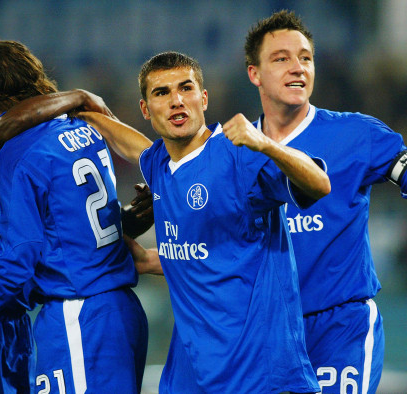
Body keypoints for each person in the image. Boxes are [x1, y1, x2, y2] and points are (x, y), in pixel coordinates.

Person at [242, 10, 407, 393]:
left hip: (341, 326)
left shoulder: (357, 134)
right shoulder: (233, 150)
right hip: (267, 330)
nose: (297, 68)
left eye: (305, 57)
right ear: (254, 74)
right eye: (281, 58)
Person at [84, 51, 330, 393]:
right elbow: (133, 146)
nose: (176, 101)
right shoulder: (159, 165)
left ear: (203, 98)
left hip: (260, 379)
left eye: (185, 88)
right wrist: (85, 109)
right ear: (145, 109)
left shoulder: (239, 156)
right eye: (161, 93)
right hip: (192, 377)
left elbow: (320, 184)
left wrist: (266, 144)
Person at [0, 39, 150, 394]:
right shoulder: (83, 132)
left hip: (31, 317)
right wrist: (80, 97)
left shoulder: (12, 153)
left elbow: (24, 257)